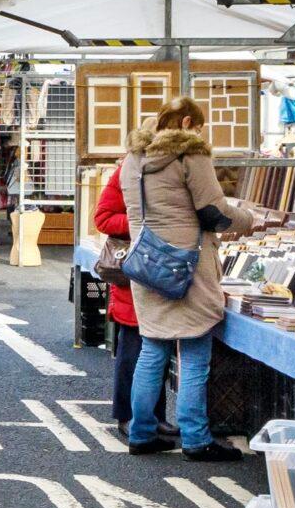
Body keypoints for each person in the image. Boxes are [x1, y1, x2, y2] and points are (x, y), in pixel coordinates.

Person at [123, 96, 258, 457]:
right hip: (187, 266)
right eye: (198, 126)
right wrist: (249, 219)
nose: (200, 133)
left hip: (147, 263)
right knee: (195, 349)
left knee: (153, 348)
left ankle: (141, 433)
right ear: (186, 124)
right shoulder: (189, 155)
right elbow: (214, 212)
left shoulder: (132, 159)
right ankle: (196, 439)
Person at [90, 159, 145, 445]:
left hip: (158, 271)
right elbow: (102, 218)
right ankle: (126, 415)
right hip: (132, 270)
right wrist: (139, 222)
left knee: (154, 351)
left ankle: (152, 418)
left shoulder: (174, 167)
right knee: (132, 347)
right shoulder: (127, 170)